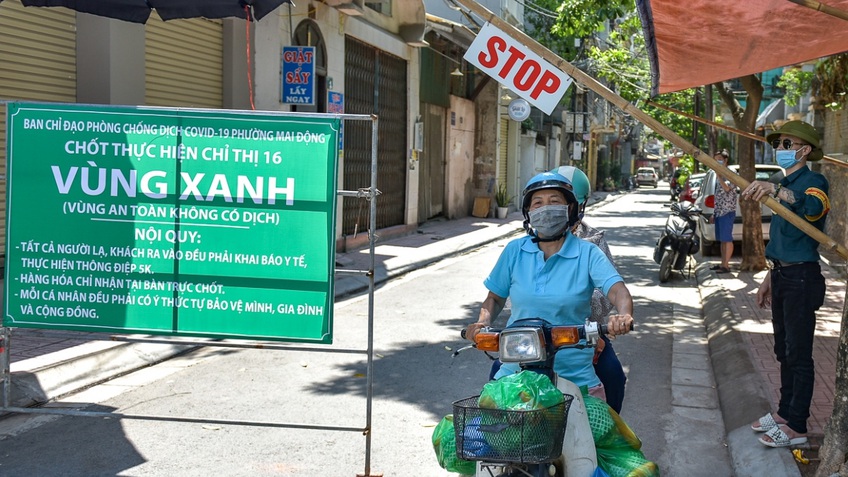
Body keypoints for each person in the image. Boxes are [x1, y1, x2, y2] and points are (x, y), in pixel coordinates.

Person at [465, 171, 634, 402]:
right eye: (538, 203)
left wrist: (623, 315)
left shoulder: (588, 252)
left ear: (571, 209)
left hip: (576, 378)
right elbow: (494, 298)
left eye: (555, 202)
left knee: (602, 432)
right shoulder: (514, 251)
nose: (546, 208)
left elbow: (617, 290)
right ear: (529, 212)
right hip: (516, 372)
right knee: (479, 433)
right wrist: (481, 323)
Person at [742, 120, 830, 448]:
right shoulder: (781, 181)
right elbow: (783, 239)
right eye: (779, 145)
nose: (781, 150)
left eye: (788, 145)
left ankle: (797, 425)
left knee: (799, 353)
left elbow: (813, 211)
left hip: (802, 278)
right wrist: (769, 275)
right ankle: (783, 412)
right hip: (781, 275)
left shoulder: (813, 181)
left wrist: (777, 190)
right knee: (783, 350)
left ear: (805, 150)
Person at [553, 165, 628, 413]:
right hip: (534, 334)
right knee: (498, 375)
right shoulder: (526, 245)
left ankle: (609, 437)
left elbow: (611, 292)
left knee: (614, 376)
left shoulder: (593, 242)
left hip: (586, 331)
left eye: (565, 202)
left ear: (579, 206)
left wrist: (597, 328)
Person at [709, 149, 737, 274]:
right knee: (722, 240)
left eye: (719, 159)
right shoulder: (717, 174)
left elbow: (727, 188)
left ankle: (726, 266)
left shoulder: (731, 173)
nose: (717, 162)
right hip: (719, 211)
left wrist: (719, 175)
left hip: (727, 211)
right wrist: (714, 213)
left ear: (725, 160)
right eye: (715, 160)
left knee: (727, 239)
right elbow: (718, 194)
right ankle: (722, 264)